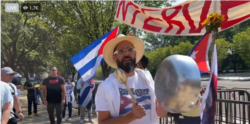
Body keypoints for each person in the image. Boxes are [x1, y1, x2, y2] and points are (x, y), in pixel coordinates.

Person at [95, 33, 167, 124]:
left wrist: (167, 96)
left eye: (130, 49)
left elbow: (161, 114)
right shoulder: (105, 87)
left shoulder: (147, 79)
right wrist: (131, 116)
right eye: (121, 51)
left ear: (135, 53)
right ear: (114, 57)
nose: (126, 54)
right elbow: (102, 122)